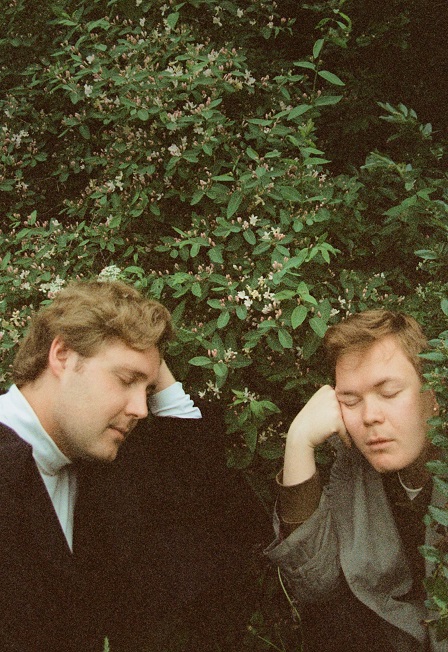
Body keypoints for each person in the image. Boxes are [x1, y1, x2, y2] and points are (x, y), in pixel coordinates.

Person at [0, 279, 268, 652]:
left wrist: (154, 373)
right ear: (62, 355)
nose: (141, 409)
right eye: (126, 380)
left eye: (148, 390)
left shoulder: (87, 460)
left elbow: (200, 494)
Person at [265, 309, 447, 652]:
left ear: (432, 396)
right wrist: (298, 441)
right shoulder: (354, 468)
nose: (369, 416)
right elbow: (314, 586)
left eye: (389, 393)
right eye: (350, 400)